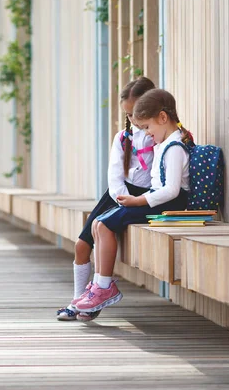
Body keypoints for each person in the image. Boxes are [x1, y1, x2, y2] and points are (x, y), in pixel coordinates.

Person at [75, 88, 192, 315]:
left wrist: (138, 201)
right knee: (99, 222)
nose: (146, 133)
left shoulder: (175, 147)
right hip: (156, 200)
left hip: (169, 204)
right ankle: (99, 284)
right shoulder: (163, 144)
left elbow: (171, 190)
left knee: (106, 224)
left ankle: (104, 286)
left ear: (163, 118)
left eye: (147, 127)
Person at [57, 77, 156, 322]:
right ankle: (79, 301)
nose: (133, 119)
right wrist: (123, 198)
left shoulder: (158, 136)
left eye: (136, 113)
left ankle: (95, 297)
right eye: (129, 114)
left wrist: (139, 200)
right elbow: (114, 176)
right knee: (81, 245)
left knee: (104, 228)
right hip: (118, 194)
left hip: (145, 196)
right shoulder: (122, 137)